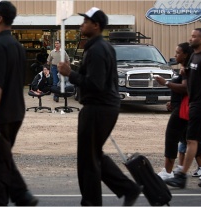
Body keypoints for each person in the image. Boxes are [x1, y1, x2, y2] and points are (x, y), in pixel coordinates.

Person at [57, 7, 141, 206]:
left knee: (89, 159)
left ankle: (93, 201)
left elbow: (96, 84)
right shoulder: (99, 47)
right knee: (92, 155)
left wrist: (70, 74)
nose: (81, 25)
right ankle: (127, 189)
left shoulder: (97, 49)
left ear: (96, 25)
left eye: (85, 21)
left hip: (99, 107)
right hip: (101, 107)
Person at [0, 1, 38, 205]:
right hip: (15, 114)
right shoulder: (16, 46)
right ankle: (21, 195)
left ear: (0, 18)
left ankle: (22, 195)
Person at [165, 28, 201, 188]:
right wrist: (186, 71)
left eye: (194, 37)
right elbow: (192, 78)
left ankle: (181, 175)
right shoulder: (194, 56)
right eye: (191, 36)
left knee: (192, 140)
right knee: (192, 140)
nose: (190, 38)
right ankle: (183, 174)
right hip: (193, 103)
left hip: (200, 104)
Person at [155, 42, 193, 180]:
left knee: (172, 137)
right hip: (180, 107)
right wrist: (173, 101)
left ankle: (168, 171)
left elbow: (185, 88)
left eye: (178, 53)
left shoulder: (188, 69)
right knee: (190, 139)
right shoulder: (185, 68)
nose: (175, 55)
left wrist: (165, 83)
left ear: (185, 55)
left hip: (184, 109)